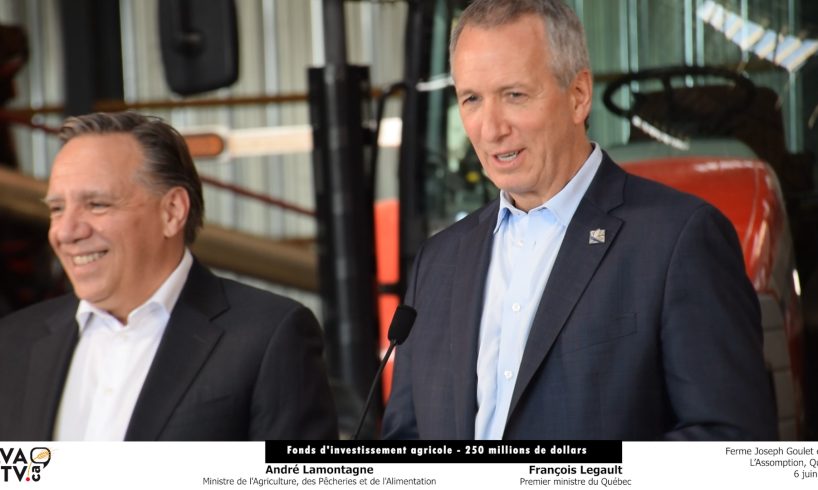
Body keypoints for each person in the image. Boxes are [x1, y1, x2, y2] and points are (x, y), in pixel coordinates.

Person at [382, 0, 776, 440]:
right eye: (472, 99)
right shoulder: (437, 262)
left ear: (578, 95)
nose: (491, 128)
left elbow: (733, 445)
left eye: (514, 95)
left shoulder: (679, 241)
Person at [0, 111, 338, 440]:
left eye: (97, 204)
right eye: (57, 208)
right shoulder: (14, 341)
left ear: (172, 211)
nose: (67, 231)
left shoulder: (267, 336)